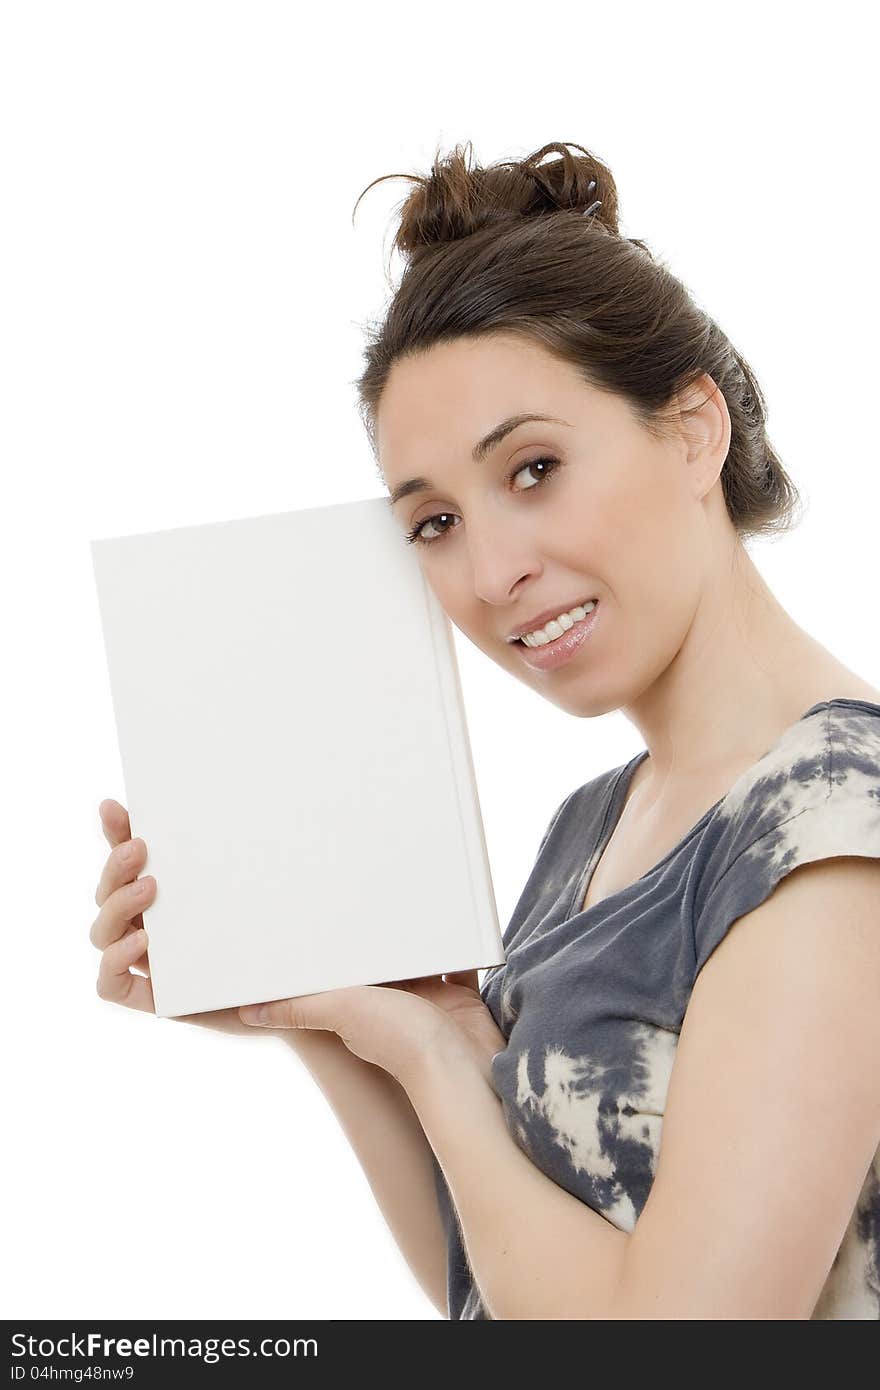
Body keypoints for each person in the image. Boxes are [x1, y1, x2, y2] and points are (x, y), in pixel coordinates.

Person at [91, 140, 880, 1320]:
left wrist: (432, 1061)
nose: (493, 571)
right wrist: (323, 1008)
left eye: (535, 468)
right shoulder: (593, 826)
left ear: (692, 430)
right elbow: (488, 1283)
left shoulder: (830, 828)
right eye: (435, 522)